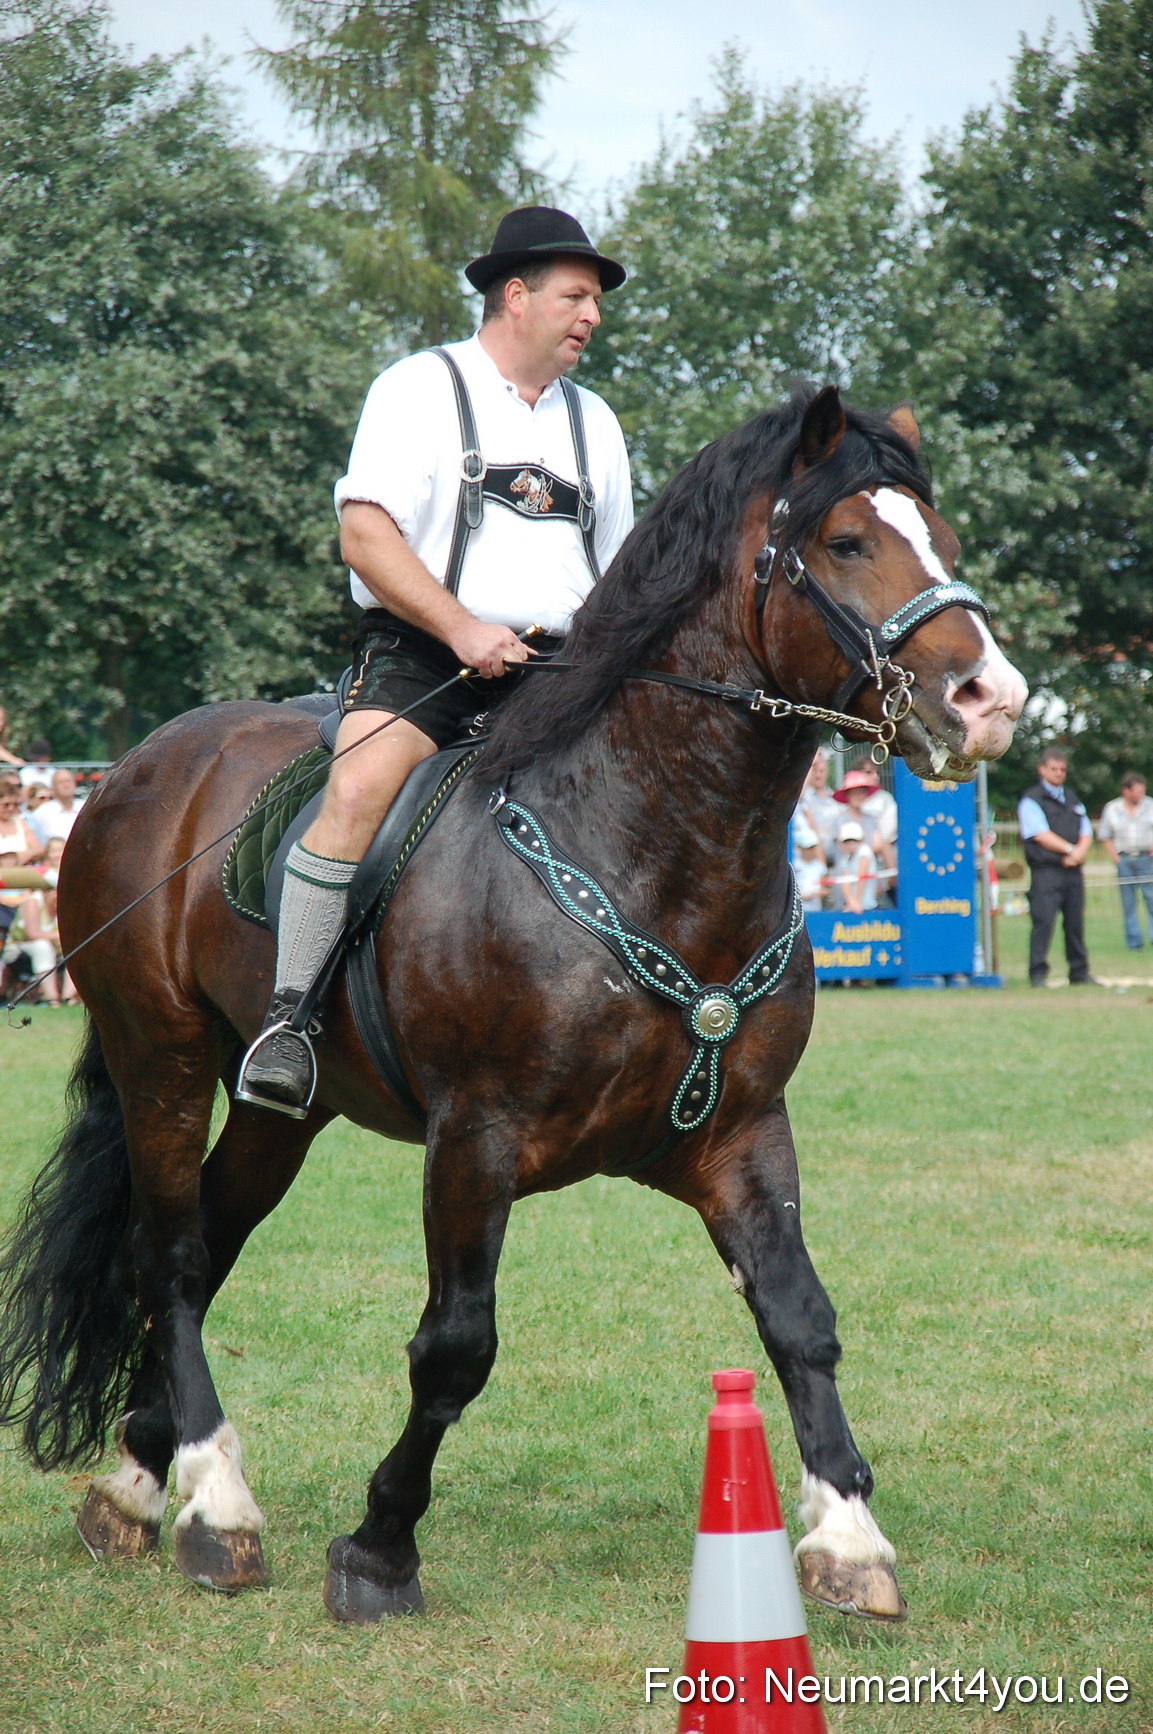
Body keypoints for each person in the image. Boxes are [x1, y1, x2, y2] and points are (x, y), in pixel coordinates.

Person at [239, 206, 634, 1113]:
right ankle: (289, 1023)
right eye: (577, 296)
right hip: (426, 660)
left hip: (561, 674)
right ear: (515, 293)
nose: (592, 316)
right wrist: (461, 628)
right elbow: (364, 537)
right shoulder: (418, 387)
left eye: (596, 301)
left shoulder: (596, 423)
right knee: (354, 791)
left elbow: (614, 579)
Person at [1017, 746, 1095, 987]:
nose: (1059, 773)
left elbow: (1086, 830)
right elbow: (1039, 833)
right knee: (1044, 923)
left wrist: (1080, 852)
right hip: (1046, 871)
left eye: (1062, 769)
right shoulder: (1031, 800)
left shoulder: (1071, 798)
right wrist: (1070, 850)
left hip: (1072, 871)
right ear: (1042, 770)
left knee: (1074, 924)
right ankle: (1038, 974)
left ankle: (1079, 973)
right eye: (1054, 769)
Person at [1097, 771, 1153, 950]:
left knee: (1151, 899)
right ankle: (1134, 942)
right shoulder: (1112, 809)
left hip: (1147, 859)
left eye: (1142, 791)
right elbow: (1104, 835)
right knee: (1128, 902)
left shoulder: (1150, 806)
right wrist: (1115, 858)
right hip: (1124, 859)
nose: (1140, 794)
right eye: (1137, 791)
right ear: (1126, 791)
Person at [834, 769, 896, 900]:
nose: (859, 795)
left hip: (870, 874)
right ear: (848, 794)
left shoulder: (871, 819)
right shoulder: (839, 819)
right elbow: (843, 849)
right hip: (847, 876)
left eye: (862, 791)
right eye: (855, 792)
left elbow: (879, 845)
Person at [796, 748, 841, 865]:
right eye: (815, 771)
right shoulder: (804, 797)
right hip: (811, 848)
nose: (818, 775)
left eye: (822, 771)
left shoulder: (833, 799)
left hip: (833, 847)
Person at [830, 820, 877, 914]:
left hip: (867, 906)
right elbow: (845, 882)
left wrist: (856, 902)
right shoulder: (845, 858)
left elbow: (862, 877)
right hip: (853, 907)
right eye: (847, 841)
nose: (851, 844)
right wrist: (851, 902)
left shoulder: (864, 851)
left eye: (854, 841)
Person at [27, 767, 82, 846]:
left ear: (75, 784)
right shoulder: (44, 811)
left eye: (68, 781)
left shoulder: (85, 807)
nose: (66, 785)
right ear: (53, 788)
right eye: (61, 782)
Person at [0, 773, 43, 865]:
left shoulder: (20, 822)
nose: (11, 808)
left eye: (15, 804)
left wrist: (26, 855)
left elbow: (39, 849)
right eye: (6, 805)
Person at [791, 811, 827, 913]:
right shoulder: (794, 866)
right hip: (798, 911)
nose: (810, 851)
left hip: (816, 911)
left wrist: (821, 892)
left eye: (812, 847)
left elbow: (824, 888)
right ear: (799, 847)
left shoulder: (819, 866)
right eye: (807, 847)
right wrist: (808, 896)